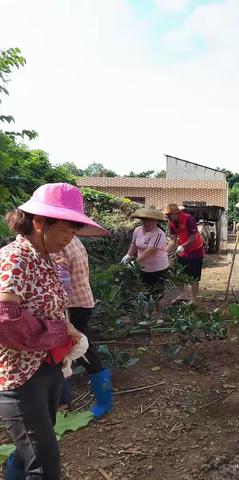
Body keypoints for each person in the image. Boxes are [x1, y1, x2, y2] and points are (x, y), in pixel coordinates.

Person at [0, 183, 107, 479]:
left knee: (28, 456)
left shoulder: (44, 258)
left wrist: (70, 330)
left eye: (74, 233)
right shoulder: (15, 259)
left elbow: (52, 308)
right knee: (45, 466)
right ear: (39, 222)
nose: (69, 239)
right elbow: (5, 319)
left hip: (46, 368)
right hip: (21, 379)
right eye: (65, 232)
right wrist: (58, 333)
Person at [53, 236, 113, 418]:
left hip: (72, 304)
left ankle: (105, 401)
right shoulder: (72, 237)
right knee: (60, 351)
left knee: (82, 351)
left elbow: (60, 280)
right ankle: (62, 400)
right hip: (81, 300)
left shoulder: (57, 241)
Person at [164, 203, 204, 304]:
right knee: (179, 274)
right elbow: (173, 240)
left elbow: (193, 237)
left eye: (169, 215)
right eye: (167, 215)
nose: (167, 217)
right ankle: (183, 294)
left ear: (176, 213)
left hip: (195, 251)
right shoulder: (171, 222)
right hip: (183, 252)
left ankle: (194, 299)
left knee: (194, 277)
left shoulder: (188, 219)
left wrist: (183, 246)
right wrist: (165, 253)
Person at [121, 206, 169, 289]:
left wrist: (135, 263)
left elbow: (150, 251)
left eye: (152, 220)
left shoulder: (158, 234)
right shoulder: (138, 230)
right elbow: (133, 244)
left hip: (157, 268)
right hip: (143, 266)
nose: (148, 223)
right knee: (144, 290)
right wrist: (128, 255)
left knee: (157, 293)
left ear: (156, 222)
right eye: (146, 220)